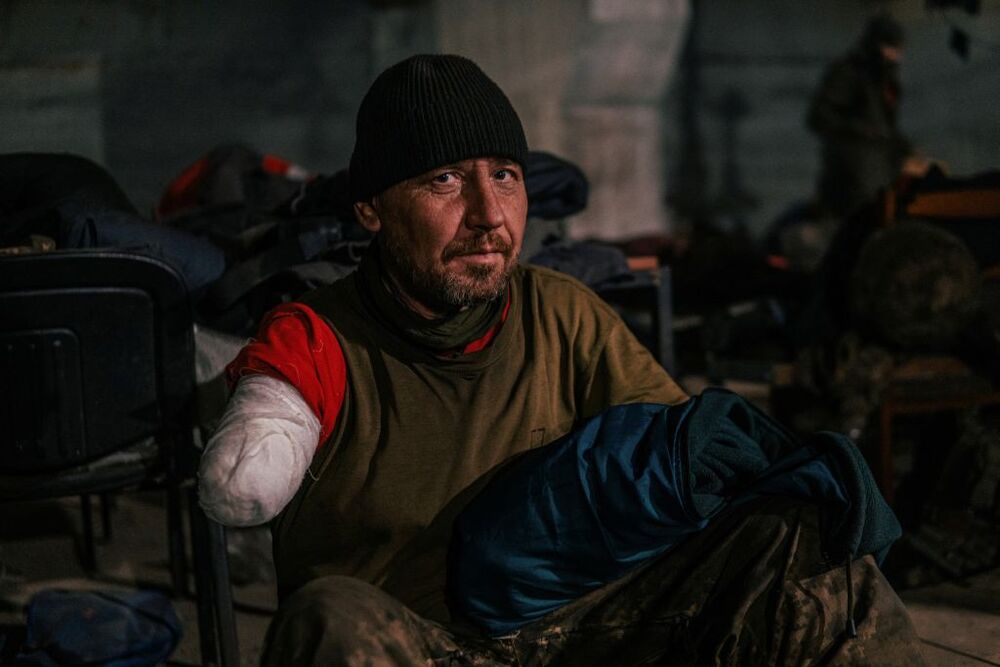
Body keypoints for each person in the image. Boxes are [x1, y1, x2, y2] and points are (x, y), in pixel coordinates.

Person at [199, 54, 924, 665]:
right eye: (445, 179)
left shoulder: (559, 309)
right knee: (328, 616)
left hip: (578, 631)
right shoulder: (322, 335)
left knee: (809, 557)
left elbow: (676, 462)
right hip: (425, 645)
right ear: (372, 210)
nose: (489, 213)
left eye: (506, 176)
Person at [807, 14, 914, 217]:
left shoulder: (885, 75)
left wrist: (904, 148)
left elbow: (885, 123)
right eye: (891, 48)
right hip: (852, 171)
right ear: (877, 45)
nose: (896, 55)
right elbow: (819, 117)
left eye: (898, 49)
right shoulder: (848, 73)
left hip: (880, 166)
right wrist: (860, 130)